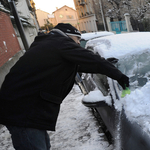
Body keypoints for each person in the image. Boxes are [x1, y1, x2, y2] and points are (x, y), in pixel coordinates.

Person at [0, 23, 129, 150]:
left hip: (23, 108)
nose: (78, 43)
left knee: (43, 146)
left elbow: (81, 64)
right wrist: (120, 77)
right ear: (68, 36)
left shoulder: (51, 45)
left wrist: (106, 65)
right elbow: (90, 58)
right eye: (77, 39)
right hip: (23, 112)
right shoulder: (59, 42)